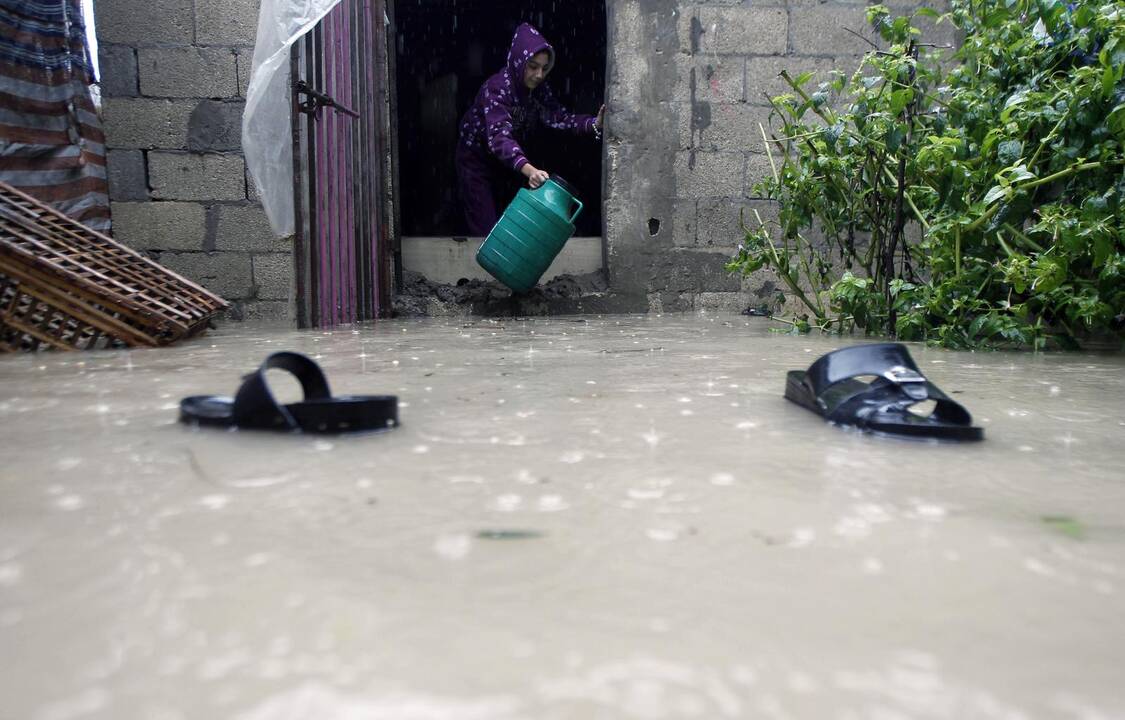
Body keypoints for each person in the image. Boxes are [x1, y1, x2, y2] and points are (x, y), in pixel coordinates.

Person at [456, 22, 605, 236]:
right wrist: (530, 170)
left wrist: (593, 124)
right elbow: (499, 138)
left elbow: (558, 118)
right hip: (476, 160)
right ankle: (482, 268)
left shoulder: (538, 90)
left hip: (509, 165)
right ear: (518, 62)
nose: (539, 74)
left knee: (513, 225)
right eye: (533, 66)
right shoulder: (497, 88)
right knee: (486, 227)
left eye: (544, 68)